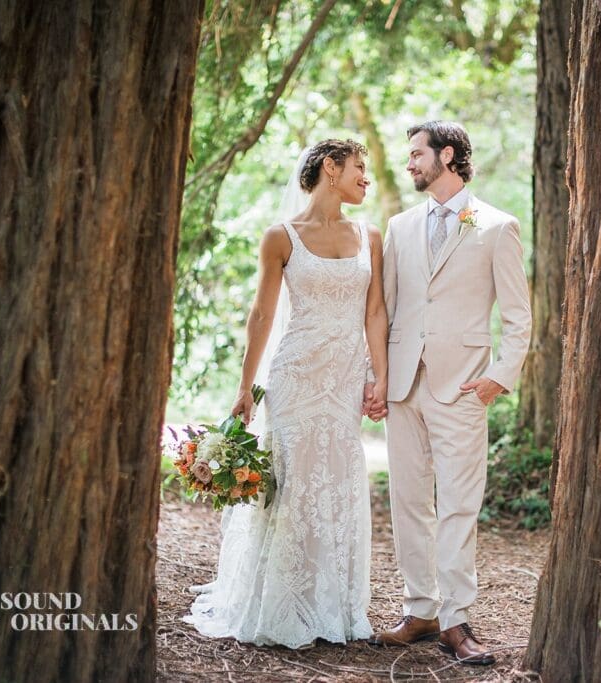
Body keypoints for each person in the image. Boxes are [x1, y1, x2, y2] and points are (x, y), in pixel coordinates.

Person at [183, 139, 388, 649]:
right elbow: (263, 315)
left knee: (338, 483)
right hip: (295, 376)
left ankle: (331, 605)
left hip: (343, 380)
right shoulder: (281, 237)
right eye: (360, 168)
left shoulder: (370, 236)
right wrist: (245, 387)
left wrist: (378, 377)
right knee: (292, 484)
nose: (367, 178)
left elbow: (375, 313)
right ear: (330, 168)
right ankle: (280, 603)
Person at [365, 121, 531, 665]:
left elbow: (518, 317)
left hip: (461, 387)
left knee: (459, 505)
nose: (409, 163)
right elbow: (385, 310)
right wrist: (380, 377)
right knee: (408, 502)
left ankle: (457, 620)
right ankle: (420, 610)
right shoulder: (400, 227)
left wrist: (498, 378)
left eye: (417, 154)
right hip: (404, 386)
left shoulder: (496, 227)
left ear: (449, 155)